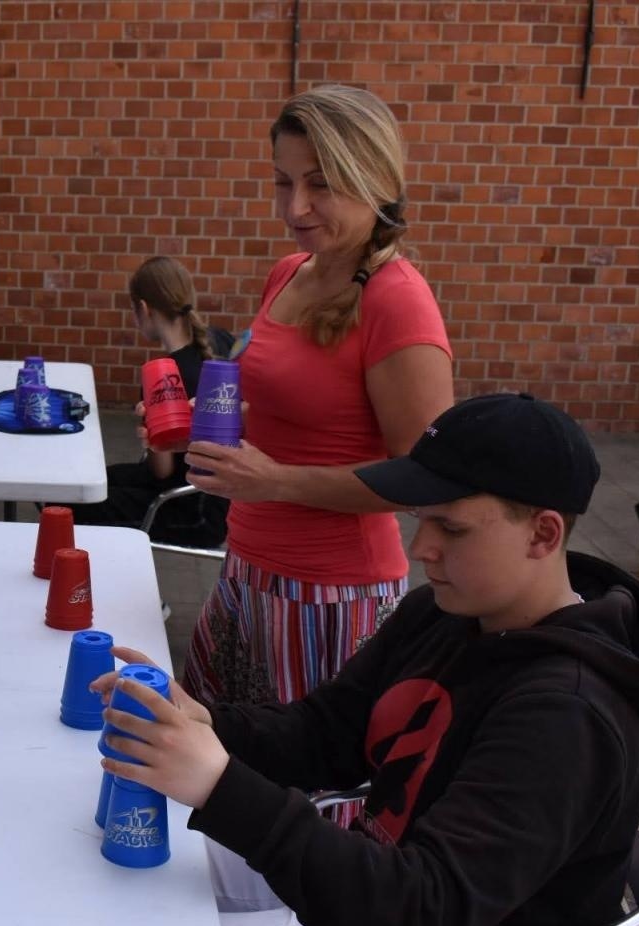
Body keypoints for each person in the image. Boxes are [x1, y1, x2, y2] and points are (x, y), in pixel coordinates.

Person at [95, 394, 639, 926]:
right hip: (371, 901)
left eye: (452, 529)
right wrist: (209, 722)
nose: (421, 548)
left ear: (543, 534)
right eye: (419, 519)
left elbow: (420, 915)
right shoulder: (446, 612)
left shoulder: (567, 716)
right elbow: (326, 733)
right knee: (127, 859)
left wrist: (221, 786)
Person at [179, 84, 454, 706]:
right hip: (246, 567)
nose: (295, 207)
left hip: (332, 595)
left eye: (322, 183)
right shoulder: (290, 271)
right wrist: (199, 424)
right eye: (284, 181)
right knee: (218, 768)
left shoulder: (397, 299)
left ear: (378, 181)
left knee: (300, 789)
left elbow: (429, 477)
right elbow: (279, 411)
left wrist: (276, 481)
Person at [72, 255, 234, 547]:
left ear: (144, 309)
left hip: (189, 512)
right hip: (222, 504)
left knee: (73, 503)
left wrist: (149, 432)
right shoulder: (220, 340)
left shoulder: (162, 377)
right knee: (87, 484)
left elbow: (162, 472)